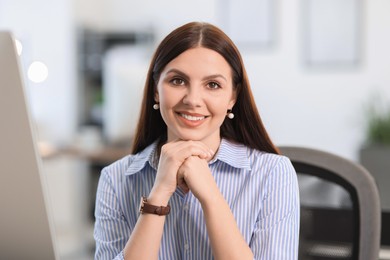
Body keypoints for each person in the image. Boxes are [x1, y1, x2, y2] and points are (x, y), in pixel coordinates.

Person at [94, 21, 300, 260]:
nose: (193, 99)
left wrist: (211, 196)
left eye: (213, 85)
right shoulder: (116, 179)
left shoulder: (273, 173)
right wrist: (159, 194)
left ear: (232, 97)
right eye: (177, 81)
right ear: (156, 90)